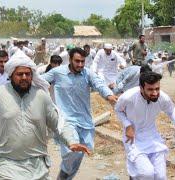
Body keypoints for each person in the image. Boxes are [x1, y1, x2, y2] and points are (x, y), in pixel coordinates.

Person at [0, 50, 90, 180]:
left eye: (27, 74)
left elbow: (58, 123)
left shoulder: (41, 97)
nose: (24, 77)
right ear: (11, 75)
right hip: (6, 164)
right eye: (20, 74)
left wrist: (71, 141)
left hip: (38, 166)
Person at [41, 47, 118, 179]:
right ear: (70, 60)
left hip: (85, 121)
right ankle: (63, 175)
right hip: (66, 121)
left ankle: (64, 177)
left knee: (81, 152)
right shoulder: (57, 73)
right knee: (73, 150)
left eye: (83, 61)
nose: (80, 65)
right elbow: (39, 80)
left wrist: (109, 95)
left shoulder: (87, 73)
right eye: (77, 61)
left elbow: (99, 84)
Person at [115, 71, 175, 179]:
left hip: (153, 138)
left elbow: (171, 110)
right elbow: (118, 110)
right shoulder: (128, 97)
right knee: (146, 173)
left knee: (160, 177)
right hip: (134, 139)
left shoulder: (162, 97)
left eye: (157, 89)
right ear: (141, 88)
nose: (155, 93)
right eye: (150, 89)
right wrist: (127, 125)